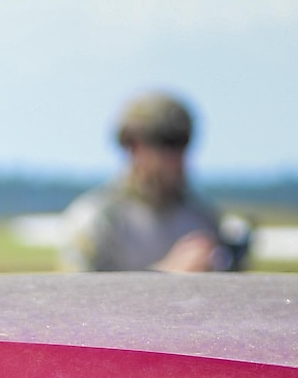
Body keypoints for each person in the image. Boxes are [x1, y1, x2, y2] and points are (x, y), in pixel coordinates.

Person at [60, 90, 247, 273]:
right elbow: (81, 299)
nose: (177, 156)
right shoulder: (99, 220)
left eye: (183, 142)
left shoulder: (201, 218)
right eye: (166, 142)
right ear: (134, 146)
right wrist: (165, 276)